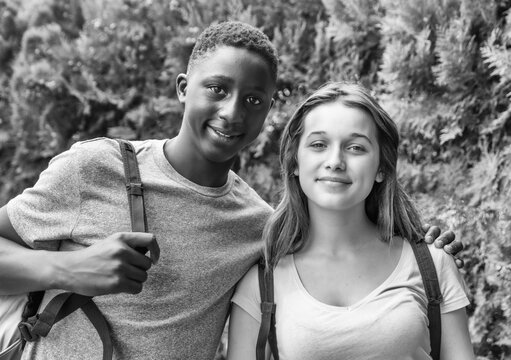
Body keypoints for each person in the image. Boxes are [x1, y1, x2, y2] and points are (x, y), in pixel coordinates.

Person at [0, 22, 461, 360]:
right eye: (217, 89)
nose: (232, 112)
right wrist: (66, 268)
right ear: (184, 88)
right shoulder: (95, 168)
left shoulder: (257, 227)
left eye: (254, 100)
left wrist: (420, 258)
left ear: (267, 116)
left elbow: (343, 250)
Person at [227, 82, 475, 360]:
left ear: (382, 167)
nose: (335, 161)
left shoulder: (433, 264)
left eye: (356, 148)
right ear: (294, 161)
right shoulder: (262, 283)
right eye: (319, 144)